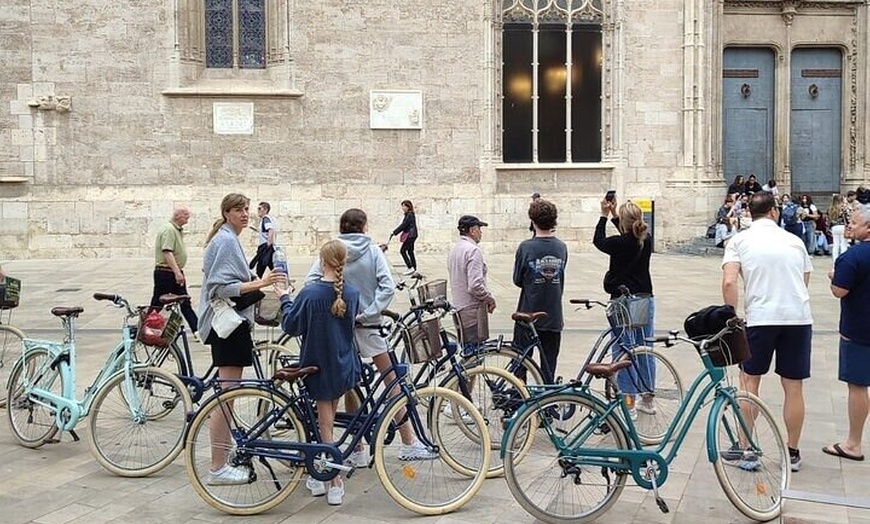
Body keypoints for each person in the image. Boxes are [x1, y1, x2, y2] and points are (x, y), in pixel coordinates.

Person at [305, 208, 435, 463]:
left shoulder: (333, 250)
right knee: (392, 382)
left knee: (348, 385)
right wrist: (369, 312)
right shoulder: (373, 251)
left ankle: (357, 449)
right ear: (364, 226)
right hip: (369, 326)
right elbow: (387, 286)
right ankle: (408, 441)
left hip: (338, 327)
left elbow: (312, 281)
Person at [721, 191, 813, 472]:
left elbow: (729, 282)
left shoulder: (739, 240)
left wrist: (732, 316)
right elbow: (804, 278)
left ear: (750, 213)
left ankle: (747, 449)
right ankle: (793, 452)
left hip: (761, 317)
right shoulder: (794, 241)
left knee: (749, 382)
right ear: (774, 212)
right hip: (797, 317)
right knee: (793, 386)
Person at [198, 193, 285, 486]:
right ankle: (217, 467)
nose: (245, 214)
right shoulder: (224, 241)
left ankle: (221, 459)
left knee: (228, 395)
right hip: (228, 327)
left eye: (247, 209)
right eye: (239, 210)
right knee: (227, 397)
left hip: (233, 326)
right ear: (226, 213)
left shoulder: (227, 238)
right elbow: (219, 288)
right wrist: (261, 282)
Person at [279, 240, 360, 505]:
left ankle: (333, 481)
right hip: (343, 362)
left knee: (325, 424)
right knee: (327, 419)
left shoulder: (311, 293)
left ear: (322, 261)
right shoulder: (352, 292)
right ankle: (318, 475)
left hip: (319, 364)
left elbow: (290, 325)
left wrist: (284, 299)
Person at [593, 199, 655, 419]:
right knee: (644, 347)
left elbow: (598, 240)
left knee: (625, 349)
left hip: (623, 300)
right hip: (644, 298)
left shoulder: (619, 243)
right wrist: (616, 216)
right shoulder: (645, 239)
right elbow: (631, 232)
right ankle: (648, 398)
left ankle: (628, 402)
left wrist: (603, 215)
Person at [824, 204, 870, 463]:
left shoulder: (852, 257)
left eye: (854, 222)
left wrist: (834, 276)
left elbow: (839, 290)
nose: (849, 226)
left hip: (859, 329)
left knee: (858, 386)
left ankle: (853, 443)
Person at [513, 199, 568, 384]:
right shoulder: (561, 247)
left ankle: (519, 399)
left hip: (527, 313)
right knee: (548, 366)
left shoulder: (526, 247)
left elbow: (517, 279)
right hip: (553, 315)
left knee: (520, 361)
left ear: (532, 220)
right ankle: (548, 402)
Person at [448, 215, 497, 349]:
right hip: (472, 311)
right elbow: (475, 285)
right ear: (472, 230)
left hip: (459, 308)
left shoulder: (455, 249)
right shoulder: (473, 251)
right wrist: (489, 298)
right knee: (475, 358)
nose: (481, 232)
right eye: (479, 228)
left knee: (467, 354)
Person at [150, 207, 199, 336]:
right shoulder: (169, 230)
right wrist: (177, 272)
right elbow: (167, 251)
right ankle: (146, 326)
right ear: (177, 216)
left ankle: (197, 329)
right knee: (158, 302)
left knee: (184, 301)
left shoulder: (175, 230)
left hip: (172, 271)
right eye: (186, 216)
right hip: (166, 272)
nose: (187, 219)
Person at [248, 201, 277, 278]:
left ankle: (255, 285)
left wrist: (268, 244)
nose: (258, 210)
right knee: (271, 267)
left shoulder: (265, 219)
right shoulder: (268, 219)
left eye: (259, 208)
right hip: (267, 247)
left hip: (265, 247)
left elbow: (271, 230)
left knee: (260, 268)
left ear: (265, 209)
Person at [390, 200, 418, 275]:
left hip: (410, 235)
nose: (402, 208)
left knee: (402, 251)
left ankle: (410, 267)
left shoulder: (409, 215)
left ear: (408, 207)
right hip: (413, 235)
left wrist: (394, 232)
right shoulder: (409, 214)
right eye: (402, 206)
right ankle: (414, 268)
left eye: (404, 206)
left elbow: (404, 225)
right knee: (410, 251)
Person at [829, 194, 850, 263]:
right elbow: (848, 218)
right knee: (843, 245)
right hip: (842, 226)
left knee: (835, 245)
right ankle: (843, 261)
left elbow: (829, 219)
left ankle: (835, 261)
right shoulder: (844, 207)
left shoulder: (831, 208)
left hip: (834, 227)